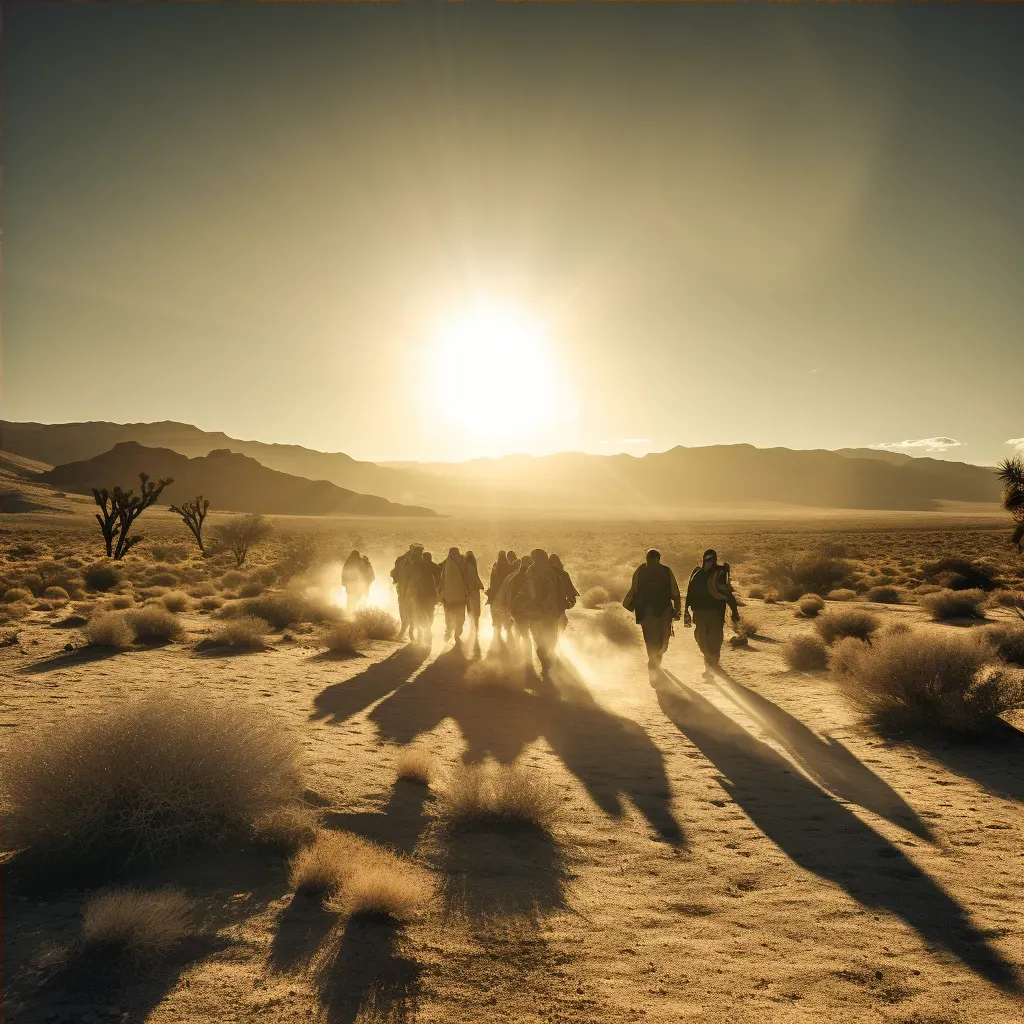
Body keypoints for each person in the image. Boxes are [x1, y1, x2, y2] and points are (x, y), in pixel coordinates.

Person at [623, 549, 681, 675]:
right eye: (650, 558)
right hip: (646, 611)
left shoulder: (666, 571)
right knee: (650, 639)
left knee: (663, 639)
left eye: (654, 558)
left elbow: (675, 592)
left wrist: (678, 610)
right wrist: (629, 604)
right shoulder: (640, 571)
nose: (652, 561)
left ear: (658, 559)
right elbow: (634, 589)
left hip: (664, 610)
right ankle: (653, 662)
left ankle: (656, 659)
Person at [507, 549, 564, 674]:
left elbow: (525, 592)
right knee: (543, 639)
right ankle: (544, 661)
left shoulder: (546, 574)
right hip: (544, 614)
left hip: (543, 614)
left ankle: (544, 660)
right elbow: (526, 592)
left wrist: (516, 606)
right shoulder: (546, 574)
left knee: (543, 639)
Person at [683, 548, 740, 669]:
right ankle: (709, 660)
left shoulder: (719, 574)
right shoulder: (699, 575)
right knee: (701, 638)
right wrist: (686, 610)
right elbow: (690, 593)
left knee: (714, 639)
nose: (709, 562)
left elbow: (727, 594)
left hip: (715, 614)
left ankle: (713, 662)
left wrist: (734, 610)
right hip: (700, 613)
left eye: (711, 559)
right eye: (707, 559)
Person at [439, 546, 470, 643]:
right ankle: (457, 633)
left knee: (448, 615)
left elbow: (442, 578)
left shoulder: (447, 562)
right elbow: (467, 577)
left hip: (448, 596)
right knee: (460, 616)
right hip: (461, 595)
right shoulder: (463, 562)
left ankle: (448, 631)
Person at [391, 544, 422, 639]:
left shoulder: (404, 560)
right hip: (406, 591)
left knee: (413, 611)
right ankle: (408, 632)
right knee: (407, 611)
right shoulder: (404, 560)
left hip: (411, 592)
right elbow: (395, 573)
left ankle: (413, 633)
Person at [409, 550, 439, 644]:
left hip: (419, 594)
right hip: (430, 594)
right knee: (430, 613)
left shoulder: (418, 565)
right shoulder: (433, 565)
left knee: (419, 612)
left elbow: (411, 563)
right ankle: (428, 632)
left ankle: (420, 632)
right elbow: (439, 577)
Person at [549, 553, 579, 635]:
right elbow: (570, 591)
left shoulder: (543, 573)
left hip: (545, 604)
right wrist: (570, 601)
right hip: (558, 604)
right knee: (562, 622)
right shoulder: (563, 574)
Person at [486, 551, 513, 642]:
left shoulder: (495, 566)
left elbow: (492, 580)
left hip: (495, 594)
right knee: (506, 613)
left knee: (495, 613)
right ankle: (508, 632)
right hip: (506, 595)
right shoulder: (509, 566)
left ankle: (497, 633)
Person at [464, 550, 485, 653]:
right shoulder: (470, 567)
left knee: (472, 612)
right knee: (475, 612)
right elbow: (473, 580)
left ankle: (474, 630)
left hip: (470, 593)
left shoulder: (467, 566)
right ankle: (475, 630)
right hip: (472, 593)